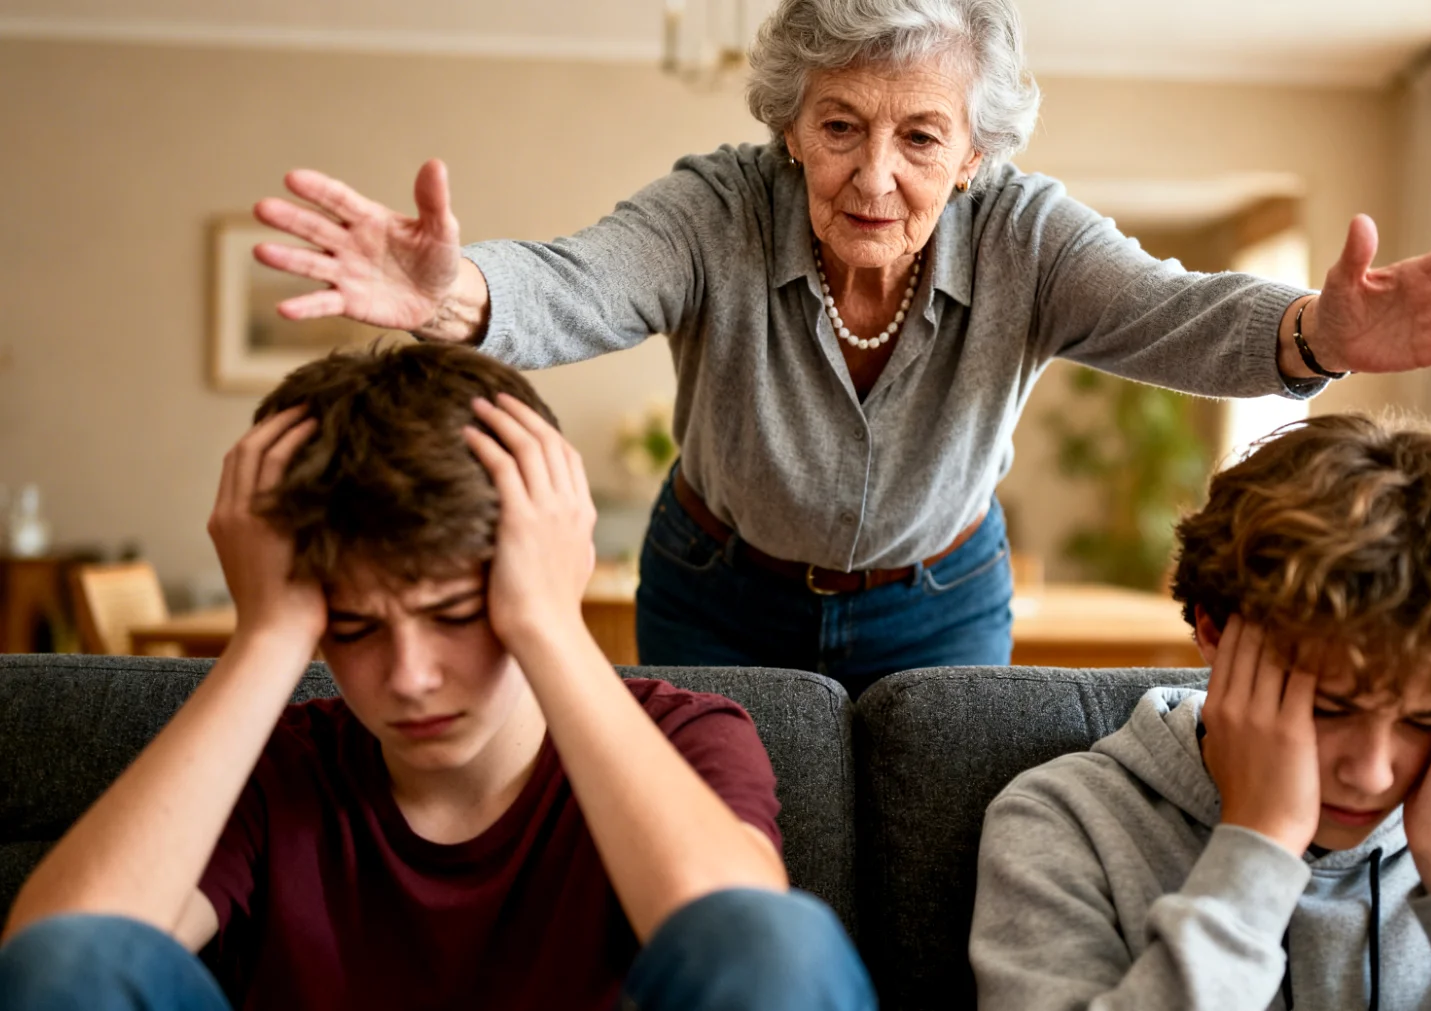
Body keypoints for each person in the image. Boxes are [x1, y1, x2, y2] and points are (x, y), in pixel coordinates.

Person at [247, 0, 1431, 693]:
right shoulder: (716, 207)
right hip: (717, 589)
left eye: (920, 136)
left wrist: (1316, 331)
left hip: (942, 601)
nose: (874, 175)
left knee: (937, 862)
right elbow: (582, 280)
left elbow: (1173, 309)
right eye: (839, 127)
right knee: (721, 839)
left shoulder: (1028, 235)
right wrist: (459, 292)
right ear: (789, 127)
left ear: (974, 153)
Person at [0, 343, 873, 1011]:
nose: (410, 677)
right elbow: (59, 960)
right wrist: (268, 634)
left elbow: (752, 954)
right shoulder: (268, 770)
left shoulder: (687, 735)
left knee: (776, 938)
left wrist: (547, 621)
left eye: (455, 614)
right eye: (355, 628)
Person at [968, 413, 1431, 1010]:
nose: (1370, 772)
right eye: (1329, 708)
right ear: (1213, 629)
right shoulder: (1065, 820)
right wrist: (1257, 850)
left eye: (1425, 719)